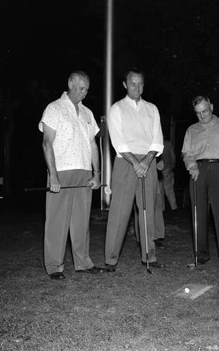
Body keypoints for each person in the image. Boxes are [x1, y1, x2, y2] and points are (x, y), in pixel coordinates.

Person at [39, 70, 102, 280]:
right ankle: (54, 267)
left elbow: (94, 145)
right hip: (62, 171)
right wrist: (53, 176)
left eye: (86, 89)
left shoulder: (87, 113)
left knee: (81, 222)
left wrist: (97, 173)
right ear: (70, 83)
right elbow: (47, 143)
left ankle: (83, 263)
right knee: (57, 221)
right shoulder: (54, 108)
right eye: (80, 88)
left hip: (84, 172)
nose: (84, 92)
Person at [103, 67, 165, 271]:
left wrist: (147, 161)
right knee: (119, 211)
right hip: (125, 162)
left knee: (148, 210)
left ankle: (149, 256)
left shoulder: (152, 108)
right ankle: (111, 259)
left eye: (140, 84)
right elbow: (118, 141)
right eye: (132, 83)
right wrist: (136, 163)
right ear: (124, 84)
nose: (137, 87)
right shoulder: (117, 108)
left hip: (148, 161)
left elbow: (157, 139)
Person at [181, 95, 219, 266]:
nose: (202, 116)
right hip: (198, 171)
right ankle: (200, 254)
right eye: (198, 113)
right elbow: (186, 152)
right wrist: (191, 165)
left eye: (205, 111)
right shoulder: (191, 130)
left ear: (212, 107)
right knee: (198, 214)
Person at [161, 139, 178, 210]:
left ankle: (162, 208)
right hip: (167, 168)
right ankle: (173, 206)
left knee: (159, 189)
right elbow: (173, 156)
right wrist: (172, 165)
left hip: (158, 169)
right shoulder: (167, 144)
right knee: (169, 188)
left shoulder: (154, 142)